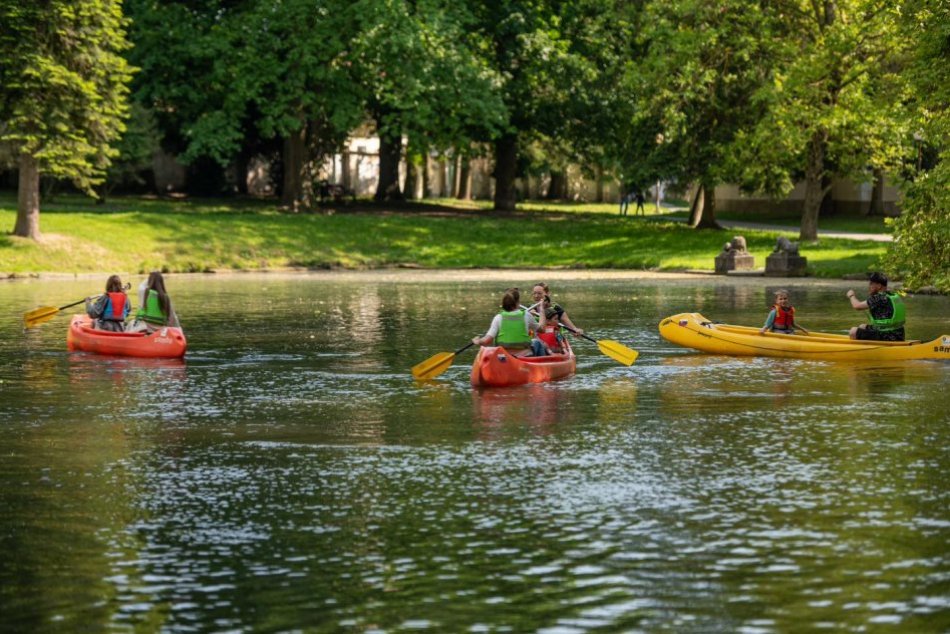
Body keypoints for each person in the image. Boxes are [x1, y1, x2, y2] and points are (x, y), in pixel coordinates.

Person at [472, 288, 547, 356]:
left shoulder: (498, 317)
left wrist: (478, 341)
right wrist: (542, 310)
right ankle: (543, 364)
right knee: (537, 342)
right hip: (525, 356)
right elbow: (542, 329)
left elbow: (487, 340)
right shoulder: (526, 315)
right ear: (518, 302)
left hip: (504, 358)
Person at [846, 272, 905, 341]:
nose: (869, 286)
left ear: (879, 286)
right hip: (899, 334)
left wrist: (851, 296)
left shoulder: (879, 298)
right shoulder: (891, 295)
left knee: (853, 331)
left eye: (871, 284)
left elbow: (857, 306)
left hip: (889, 336)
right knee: (862, 326)